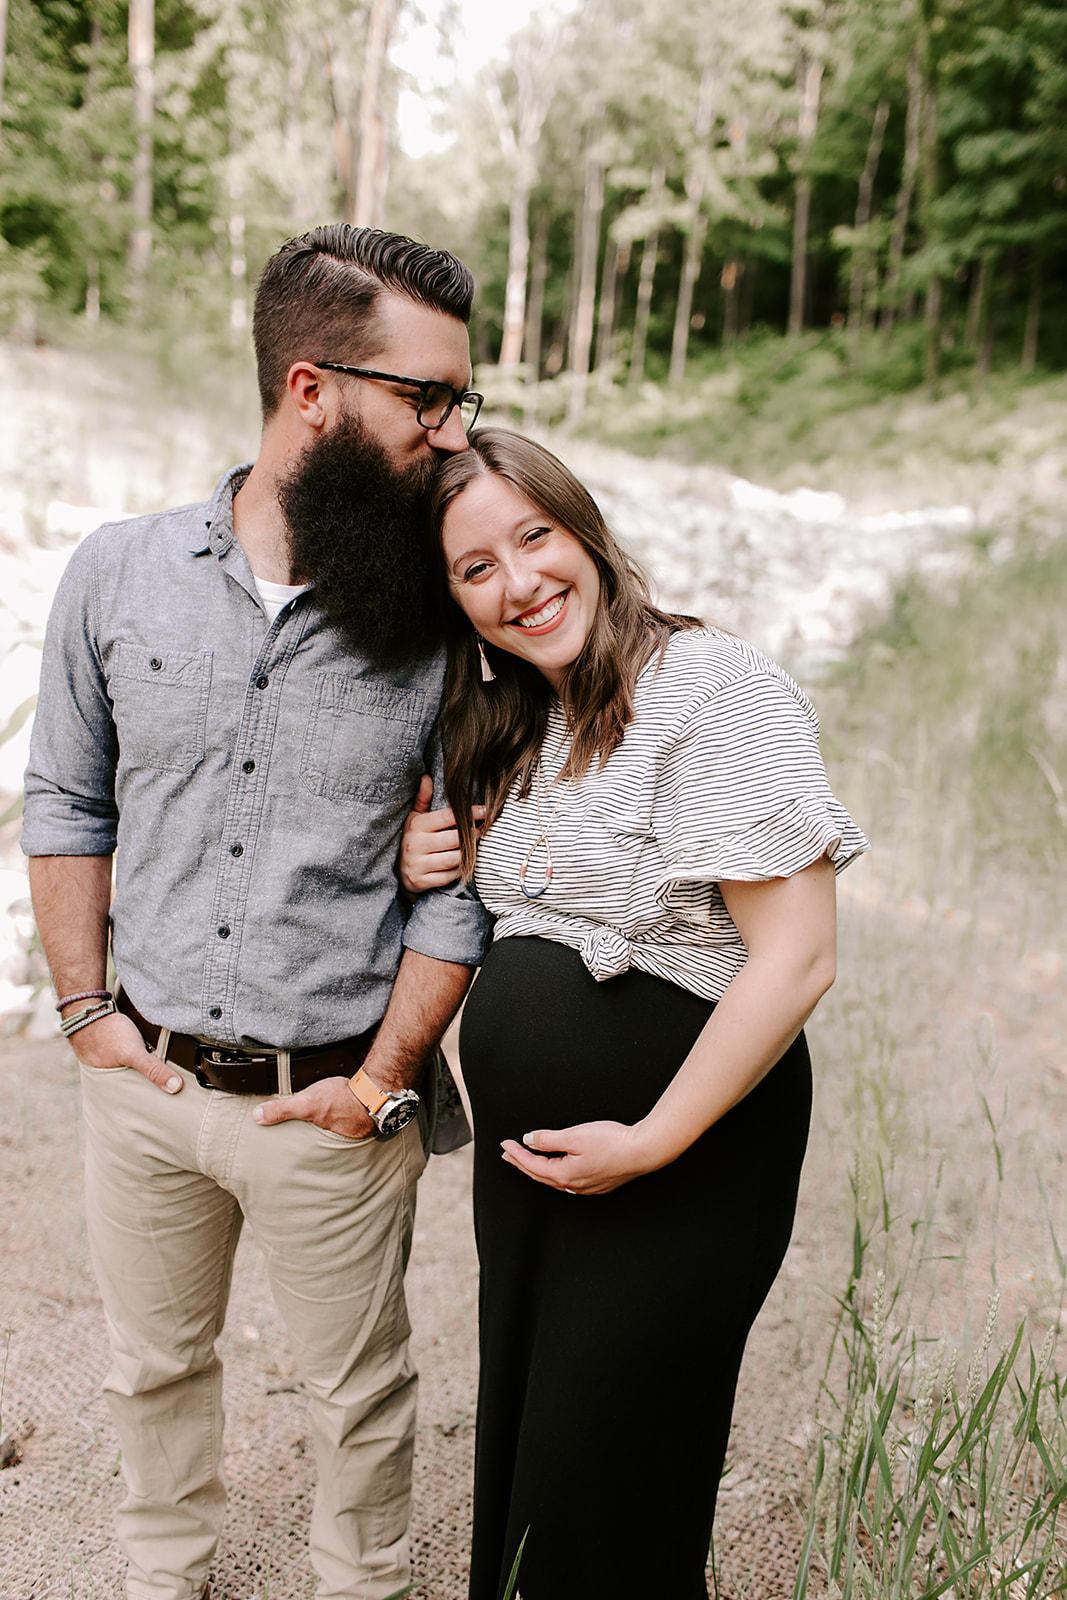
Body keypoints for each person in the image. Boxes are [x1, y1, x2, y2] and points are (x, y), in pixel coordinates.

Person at [21, 224, 493, 1600]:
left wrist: (386, 1078)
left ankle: (365, 1582)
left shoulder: (446, 614)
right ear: (309, 390)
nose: (452, 434)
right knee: (150, 1363)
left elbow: (459, 891)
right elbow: (64, 798)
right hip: (145, 1080)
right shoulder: (115, 573)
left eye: (459, 400)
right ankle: (162, 1572)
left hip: (337, 1097)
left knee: (360, 1392)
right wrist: (85, 1014)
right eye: (427, 399)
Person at [400, 428, 870, 1600]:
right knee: (530, 1475)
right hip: (538, 1179)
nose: (517, 582)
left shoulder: (710, 687)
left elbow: (797, 956)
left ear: (585, 530)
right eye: (474, 569)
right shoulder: (516, 718)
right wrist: (426, 861)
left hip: (678, 1158)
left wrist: (651, 1139)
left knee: (600, 1482)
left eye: (533, 536)